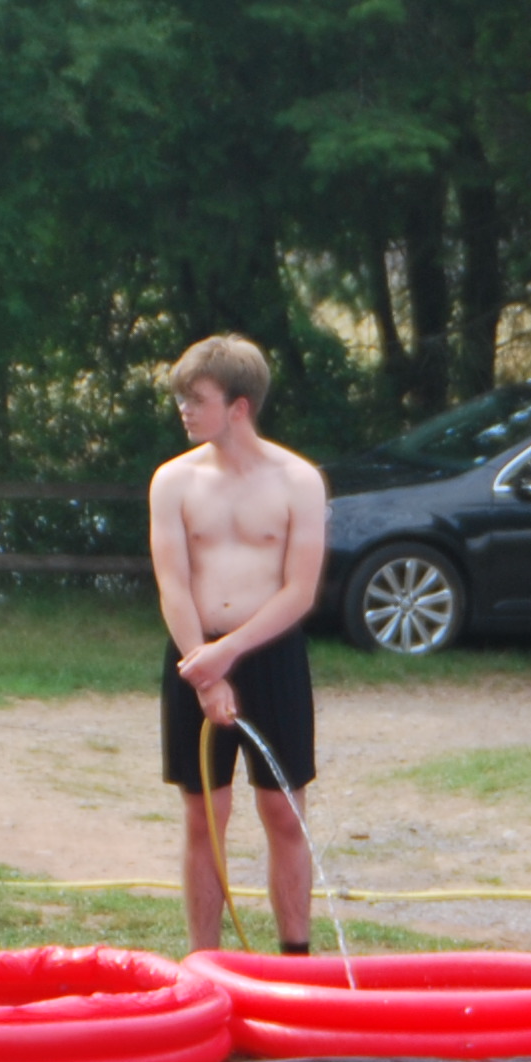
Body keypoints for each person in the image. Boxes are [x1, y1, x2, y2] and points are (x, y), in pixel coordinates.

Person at [145, 333, 326, 953]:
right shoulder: (173, 480)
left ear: (239, 406)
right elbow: (173, 583)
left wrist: (229, 654)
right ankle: (204, 959)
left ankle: (295, 957)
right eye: (182, 398)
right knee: (204, 816)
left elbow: (299, 591)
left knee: (283, 813)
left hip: (270, 654)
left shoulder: (298, 480)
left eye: (197, 399)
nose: (184, 410)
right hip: (193, 652)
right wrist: (205, 666)